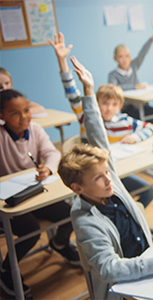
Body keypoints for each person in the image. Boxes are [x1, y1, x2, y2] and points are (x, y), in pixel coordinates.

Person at [58, 55, 153, 300]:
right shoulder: (83, 219)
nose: (109, 180)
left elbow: (97, 137)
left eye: (107, 172)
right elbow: (109, 269)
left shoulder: (109, 182)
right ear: (77, 188)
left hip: (149, 265)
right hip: (125, 288)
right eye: (99, 178)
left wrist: (90, 89)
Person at [49, 32, 153, 208]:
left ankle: (129, 220)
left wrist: (135, 137)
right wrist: (62, 62)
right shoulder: (87, 118)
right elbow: (72, 93)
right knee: (114, 200)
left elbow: (150, 127)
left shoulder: (124, 121)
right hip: (94, 178)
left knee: (148, 192)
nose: (108, 108)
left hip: (117, 171)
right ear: (96, 103)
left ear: (120, 106)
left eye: (114, 104)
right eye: (104, 103)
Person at [0, 89, 79, 296]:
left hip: (35, 193)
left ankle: (60, 243)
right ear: (1, 116)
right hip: (11, 201)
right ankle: (7, 269)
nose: (24, 116)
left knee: (70, 213)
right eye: (15, 113)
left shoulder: (35, 129)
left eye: (26, 110)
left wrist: (48, 168)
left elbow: (52, 153)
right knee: (30, 230)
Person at [108, 18, 153, 136]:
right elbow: (115, 88)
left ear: (130, 57)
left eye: (127, 56)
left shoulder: (134, 66)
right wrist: (134, 87)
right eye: (120, 56)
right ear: (115, 58)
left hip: (143, 105)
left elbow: (143, 52)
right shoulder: (113, 75)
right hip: (129, 109)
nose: (124, 59)